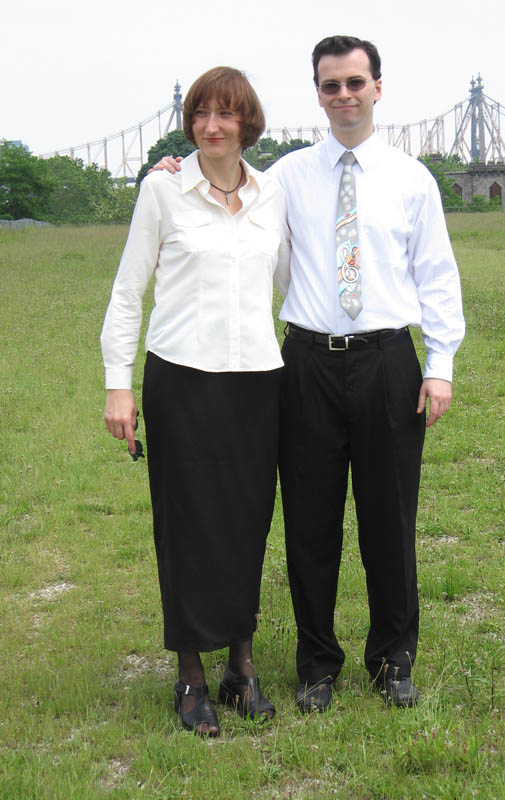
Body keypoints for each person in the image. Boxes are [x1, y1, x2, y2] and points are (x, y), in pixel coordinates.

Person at [152, 35, 465, 713]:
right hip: (306, 364)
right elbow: (223, 183)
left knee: (391, 520)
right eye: (330, 85)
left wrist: (438, 367)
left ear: (378, 88)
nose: (344, 96)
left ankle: (392, 659)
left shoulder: (413, 180)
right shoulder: (287, 176)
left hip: (387, 361)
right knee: (310, 525)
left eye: (355, 83)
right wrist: (175, 170)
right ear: (318, 93)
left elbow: (437, 277)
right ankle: (316, 664)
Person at [101, 66, 290, 737]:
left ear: (247, 123)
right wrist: (117, 385)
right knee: (185, 528)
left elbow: (295, 284)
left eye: (226, 114)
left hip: (258, 381)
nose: (212, 125)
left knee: (246, 523)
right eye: (201, 114)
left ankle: (241, 664)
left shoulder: (274, 196)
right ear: (191, 124)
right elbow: (128, 295)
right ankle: (190, 675)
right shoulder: (162, 193)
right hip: (181, 380)